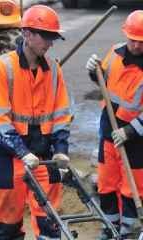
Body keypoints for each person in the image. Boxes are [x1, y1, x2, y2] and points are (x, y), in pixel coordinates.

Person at [0, 4, 72, 240]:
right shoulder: (3, 68)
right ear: (27, 34)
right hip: (9, 157)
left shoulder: (54, 70)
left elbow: (61, 114)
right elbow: (0, 121)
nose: (50, 43)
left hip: (44, 157)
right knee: (8, 225)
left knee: (50, 224)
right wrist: (22, 152)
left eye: (52, 38)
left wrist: (62, 150)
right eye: (46, 37)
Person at [86, 10, 143, 240]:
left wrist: (129, 131)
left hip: (136, 137)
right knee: (106, 184)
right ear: (125, 35)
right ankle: (109, 229)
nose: (136, 46)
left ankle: (128, 231)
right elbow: (103, 79)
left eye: (141, 42)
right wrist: (93, 70)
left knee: (132, 188)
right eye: (133, 40)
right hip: (108, 128)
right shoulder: (115, 52)